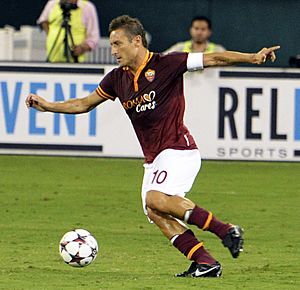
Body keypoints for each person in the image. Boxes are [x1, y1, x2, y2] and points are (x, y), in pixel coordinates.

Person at [26, 15, 280, 277]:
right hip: (154, 159)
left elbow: (213, 58)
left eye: (117, 44)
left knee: (154, 198)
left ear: (136, 41)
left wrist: (252, 57)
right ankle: (206, 263)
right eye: (112, 45)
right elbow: (83, 104)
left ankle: (225, 229)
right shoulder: (117, 79)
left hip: (179, 149)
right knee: (155, 211)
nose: (113, 50)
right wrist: (47, 106)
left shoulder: (167, 63)